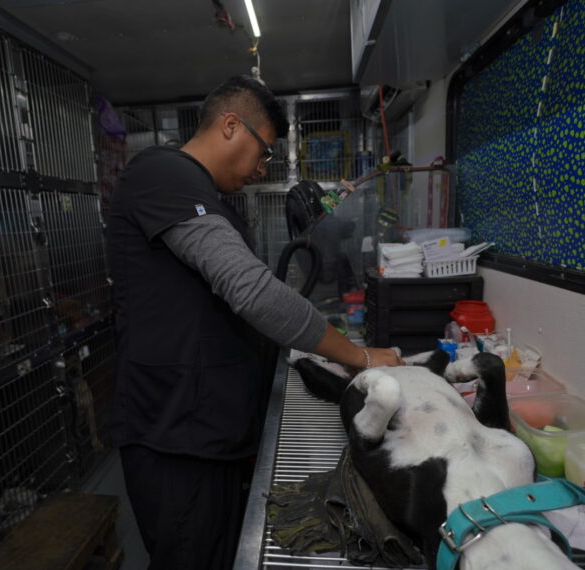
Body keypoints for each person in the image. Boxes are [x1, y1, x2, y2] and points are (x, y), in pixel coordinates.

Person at [107, 75, 403, 570]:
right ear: (230, 126)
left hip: (212, 432)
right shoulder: (162, 174)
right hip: (177, 439)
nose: (261, 166)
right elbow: (251, 292)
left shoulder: (211, 197)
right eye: (263, 151)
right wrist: (360, 356)